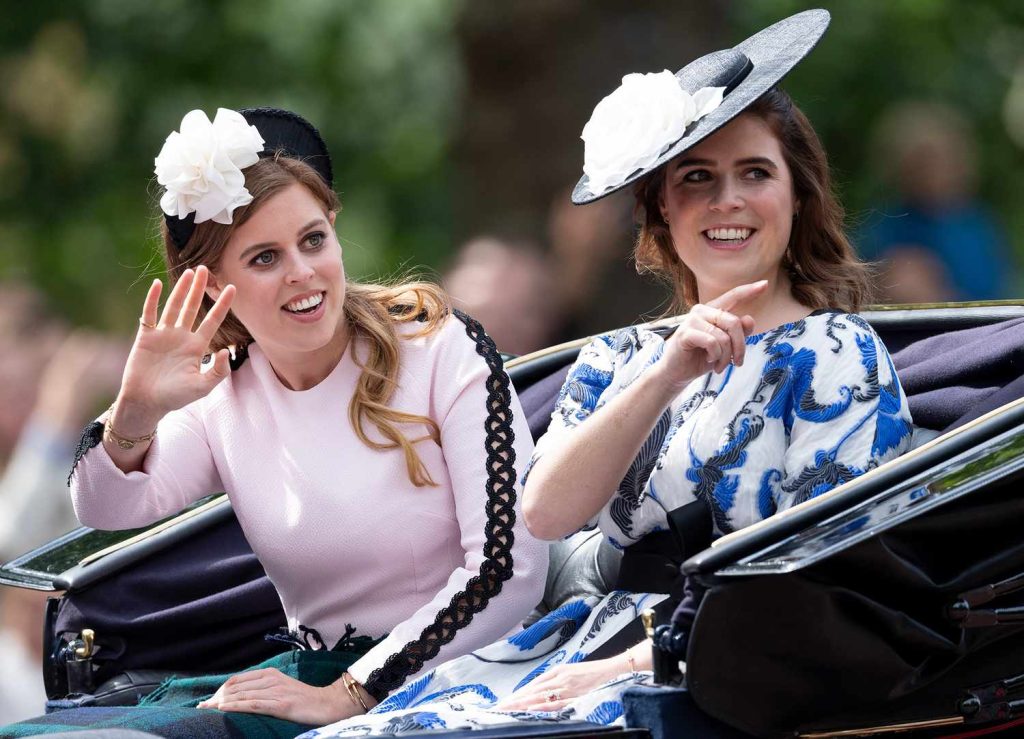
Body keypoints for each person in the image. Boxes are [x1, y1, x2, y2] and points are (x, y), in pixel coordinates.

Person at [302, 9, 913, 736]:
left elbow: (822, 581)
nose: (727, 200)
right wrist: (666, 373)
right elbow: (545, 514)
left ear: (798, 194)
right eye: (696, 177)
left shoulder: (837, 352)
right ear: (661, 206)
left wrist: (629, 666)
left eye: (755, 173)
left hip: (717, 671)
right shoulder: (616, 358)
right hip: (573, 639)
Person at [2, 107, 547, 738]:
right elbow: (107, 509)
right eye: (264, 257)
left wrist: (352, 692)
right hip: (314, 681)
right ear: (211, 287)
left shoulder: (439, 345)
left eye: (313, 240)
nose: (302, 272)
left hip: (454, 674)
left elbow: (509, 572)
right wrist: (135, 410)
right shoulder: (222, 392)